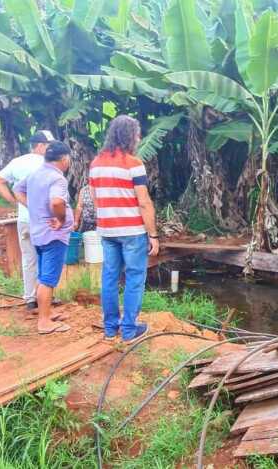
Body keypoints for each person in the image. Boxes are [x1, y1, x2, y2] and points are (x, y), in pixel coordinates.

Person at [89, 115, 159, 343]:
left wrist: (107, 218)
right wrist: (153, 235)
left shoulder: (96, 163)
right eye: (137, 134)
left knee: (109, 277)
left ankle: (110, 329)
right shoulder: (134, 164)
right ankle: (129, 330)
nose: (139, 139)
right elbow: (144, 201)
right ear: (129, 135)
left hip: (107, 230)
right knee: (134, 277)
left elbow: (94, 197)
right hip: (132, 231)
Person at [14, 141, 75, 334]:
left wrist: (32, 206)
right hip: (53, 235)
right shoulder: (57, 179)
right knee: (48, 279)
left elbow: (17, 189)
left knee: (43, 275)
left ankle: (46, 314)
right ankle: (44, 323)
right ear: (64, 159)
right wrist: (60, 218)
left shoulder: (35, 174)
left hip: (38, 233)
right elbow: (57, 202)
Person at [0, 130, 55, 310]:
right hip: (45, 219)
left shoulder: (17, 162)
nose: (50, 149)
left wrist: (14, 201)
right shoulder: (48, 163)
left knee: (29, 258)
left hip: (25, 219)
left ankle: (30, 298)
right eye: (49, 145)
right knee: (47, 257)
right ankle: (47, 296)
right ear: (40, 146)